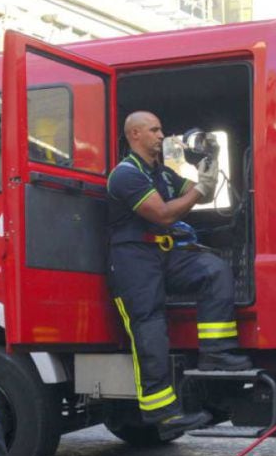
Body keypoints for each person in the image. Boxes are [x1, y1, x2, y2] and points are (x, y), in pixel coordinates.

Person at [105, 111, 251, 438]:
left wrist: (208, 168)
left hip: (162, 254)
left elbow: (200, 195)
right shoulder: (125, 175)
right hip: (133, 260)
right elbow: (164, 214)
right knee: (150, 328)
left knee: (214, 270)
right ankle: (162, 414)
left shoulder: (164, 174)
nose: (161, 135)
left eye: (161, 128)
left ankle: (217, 354)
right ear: (135, 135)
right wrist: (200, 189)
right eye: (154, 130)